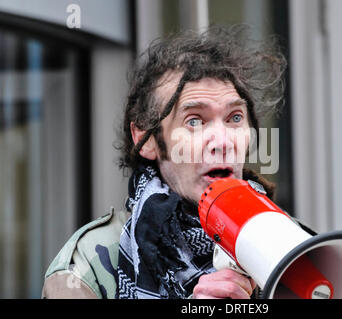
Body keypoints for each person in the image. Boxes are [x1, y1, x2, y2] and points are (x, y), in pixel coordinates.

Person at [42, 25, 287, 299]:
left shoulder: (292, 246)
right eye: (194, 121)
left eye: (235, 118)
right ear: (146, 140)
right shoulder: (87, 265)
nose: (223, 141)